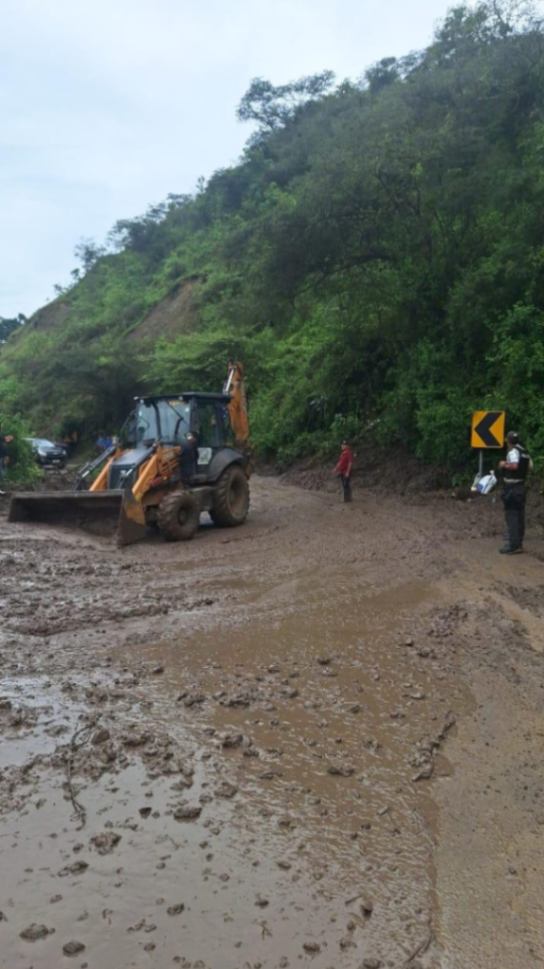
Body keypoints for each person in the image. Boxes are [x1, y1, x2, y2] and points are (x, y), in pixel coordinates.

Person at [497, 430, 533, 554]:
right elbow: (530, 467)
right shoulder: (525, 452)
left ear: (508, 441)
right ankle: (519, 543)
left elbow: (514, 466)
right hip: (521, 486)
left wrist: (503, 465)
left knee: (511, 516)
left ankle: (513, 545)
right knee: (520, 515)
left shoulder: (513, 452)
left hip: (512, 487)